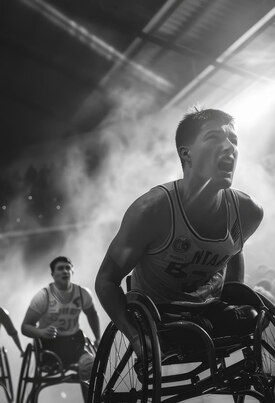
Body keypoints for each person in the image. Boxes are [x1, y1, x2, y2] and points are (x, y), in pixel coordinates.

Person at [95, 108, 264, 359]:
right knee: (194, 332)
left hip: (209, 311)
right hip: (161, 316)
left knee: (254, 314)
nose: (230, 147)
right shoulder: (151, 211)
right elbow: (106, 281)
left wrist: (233, 293)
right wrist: (135, 337)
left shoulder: (248, 211)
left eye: (234, 140)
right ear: (187, 153)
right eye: (214, 137)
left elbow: (234, 251)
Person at [21, 256, 100, 398]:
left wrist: (98, 338)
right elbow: (25, 327)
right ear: (53, 275)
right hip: (49, 347)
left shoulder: (82, 293)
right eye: (60, 268)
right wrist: (41, 332)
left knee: (90, 364)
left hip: (74, 344)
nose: (64, 271)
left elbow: (92, 314)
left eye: (67, 267)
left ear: (72, 271)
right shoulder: (43, 296)